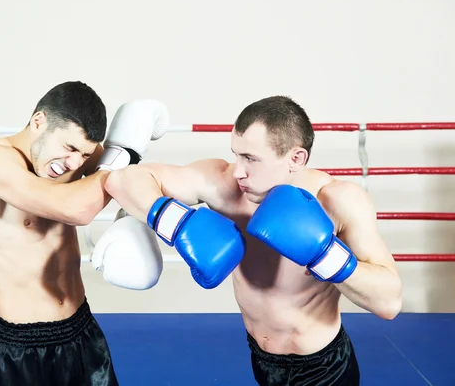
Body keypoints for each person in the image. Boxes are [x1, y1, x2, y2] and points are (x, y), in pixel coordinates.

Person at [104, 95, 403, 385]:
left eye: (250, 158)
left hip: (322, 368)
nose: (238, 171)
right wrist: (176, 223)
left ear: (296, 158)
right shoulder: (224, 184)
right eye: (236, 154)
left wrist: (325, 256)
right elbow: (123, 180)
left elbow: (389, 301)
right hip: (261, 360)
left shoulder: (337, 200)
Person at [0, 80, 169, 386]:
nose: (73, 163)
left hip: (81, 330)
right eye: (69, 148)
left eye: (85, 155)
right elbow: (76, 208)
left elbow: (130, 179)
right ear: (38, 121)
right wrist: (122, 154)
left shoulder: (75, 157)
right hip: (21, 347)